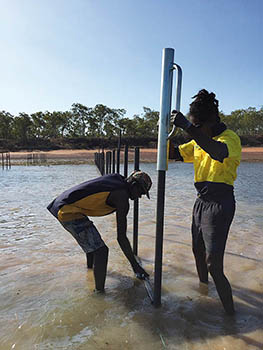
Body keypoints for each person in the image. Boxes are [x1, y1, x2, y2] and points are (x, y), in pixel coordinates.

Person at [171, 89, 241, 315]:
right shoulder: (199, 140)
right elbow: (173, 154)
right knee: (197, 251)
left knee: (213, 263)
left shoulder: (229, 139)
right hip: (200, 202)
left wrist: (188, 128)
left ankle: (231, 316)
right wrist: (165, 131)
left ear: (209, 122)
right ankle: (205, 294)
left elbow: (218, 152)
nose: (194, 132)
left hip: (220, 204)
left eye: (197, 127)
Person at [47, 170, 152, 293]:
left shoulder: (117, 180)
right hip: (67, 211)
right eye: (141, 192)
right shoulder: (122, 197)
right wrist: (135, 266)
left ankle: (90, 272)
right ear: (134, 186)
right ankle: (99, 293)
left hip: (61, 205)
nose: (139, 197)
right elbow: (121, 237)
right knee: (101, 251)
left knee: (94, 245)